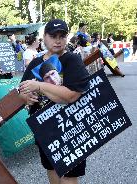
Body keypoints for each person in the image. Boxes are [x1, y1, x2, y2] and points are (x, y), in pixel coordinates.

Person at [19, 19, 90, 184]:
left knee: (68, 175)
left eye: (62, 36)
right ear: (44, 37)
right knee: (51, 168)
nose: (58, 40)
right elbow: (21, 89)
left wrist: (38, 86)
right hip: (44, 128)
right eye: (53, 36)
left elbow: (71, 95)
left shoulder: (72, 60)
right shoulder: (36, 62)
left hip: (71, 127)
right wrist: (25, 97)